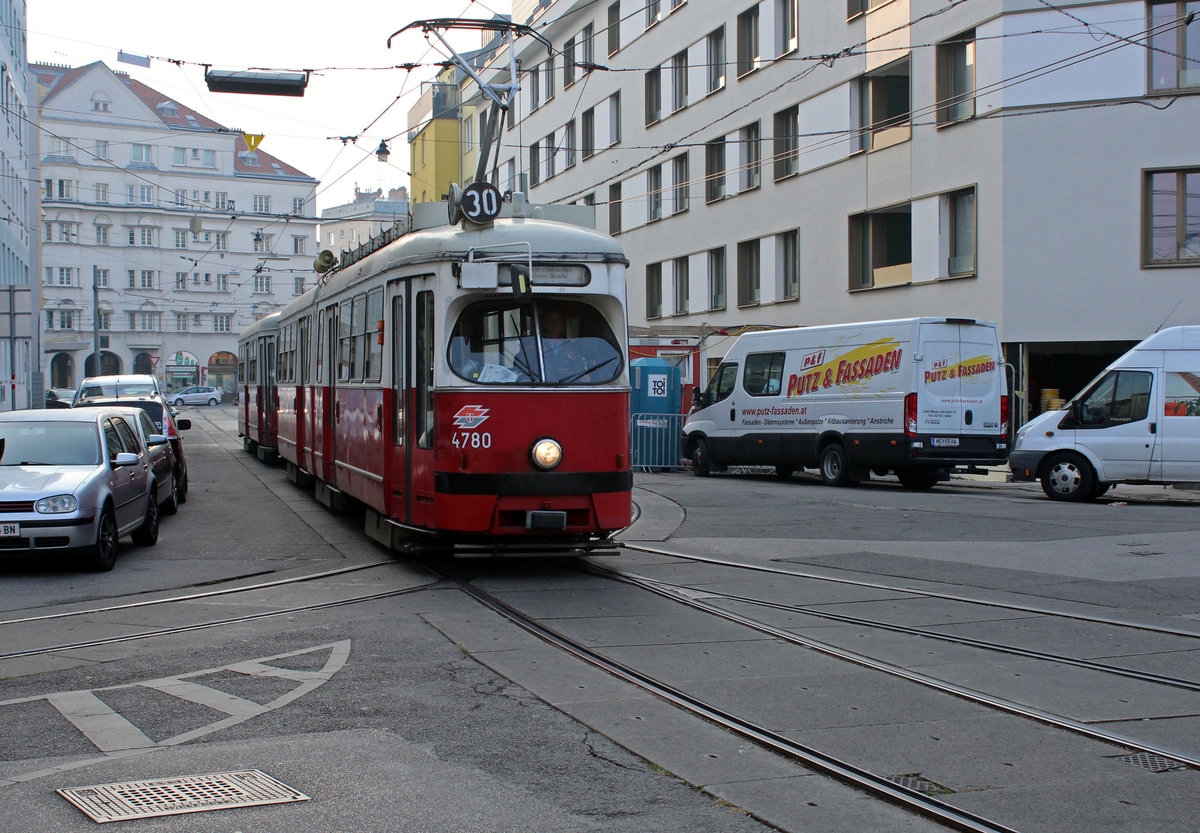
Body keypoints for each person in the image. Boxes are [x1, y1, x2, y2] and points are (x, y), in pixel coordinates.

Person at [539, 306, 586, 382]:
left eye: (557, 319)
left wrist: (584, 376)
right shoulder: (533, 345)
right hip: (541, 388)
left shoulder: (572, 347)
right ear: (544, 323)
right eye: (550, 319)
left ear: (562, 323)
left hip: (567, 388)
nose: (554, 322)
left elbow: (580, 370)